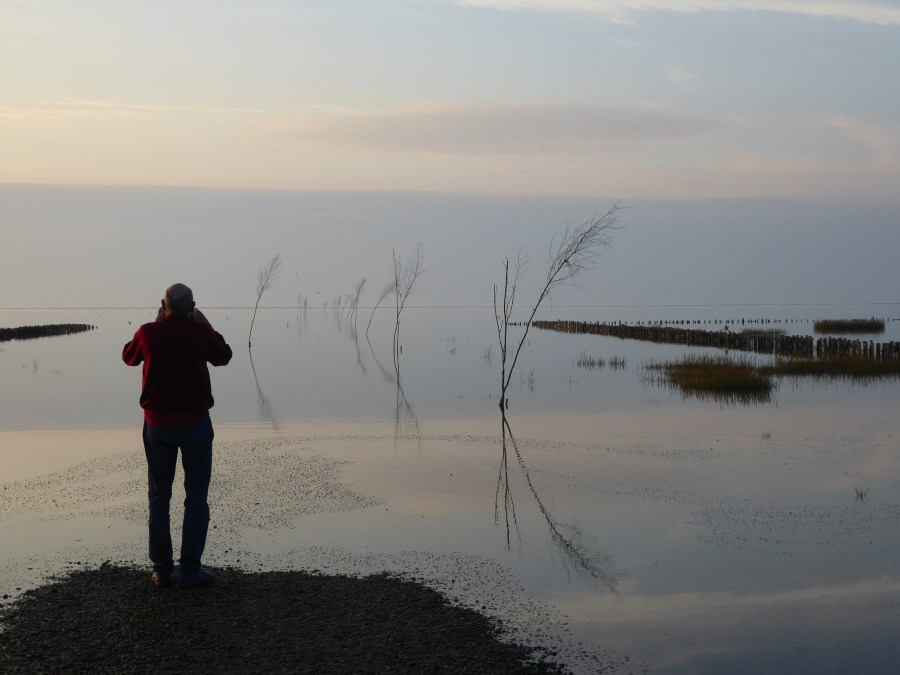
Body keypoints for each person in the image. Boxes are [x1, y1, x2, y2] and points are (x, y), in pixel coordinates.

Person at [122, 283, 233, 588]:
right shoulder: (200, 333)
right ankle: (190, 571)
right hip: (195, 423)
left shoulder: (148, 332)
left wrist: (156, 324)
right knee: (196, 498)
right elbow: (223, 356)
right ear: (192, 308)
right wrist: (205, 324)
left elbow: (129, 357)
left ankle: (162, 570)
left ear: (163, 305)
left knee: (159, 498)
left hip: (157, 425)